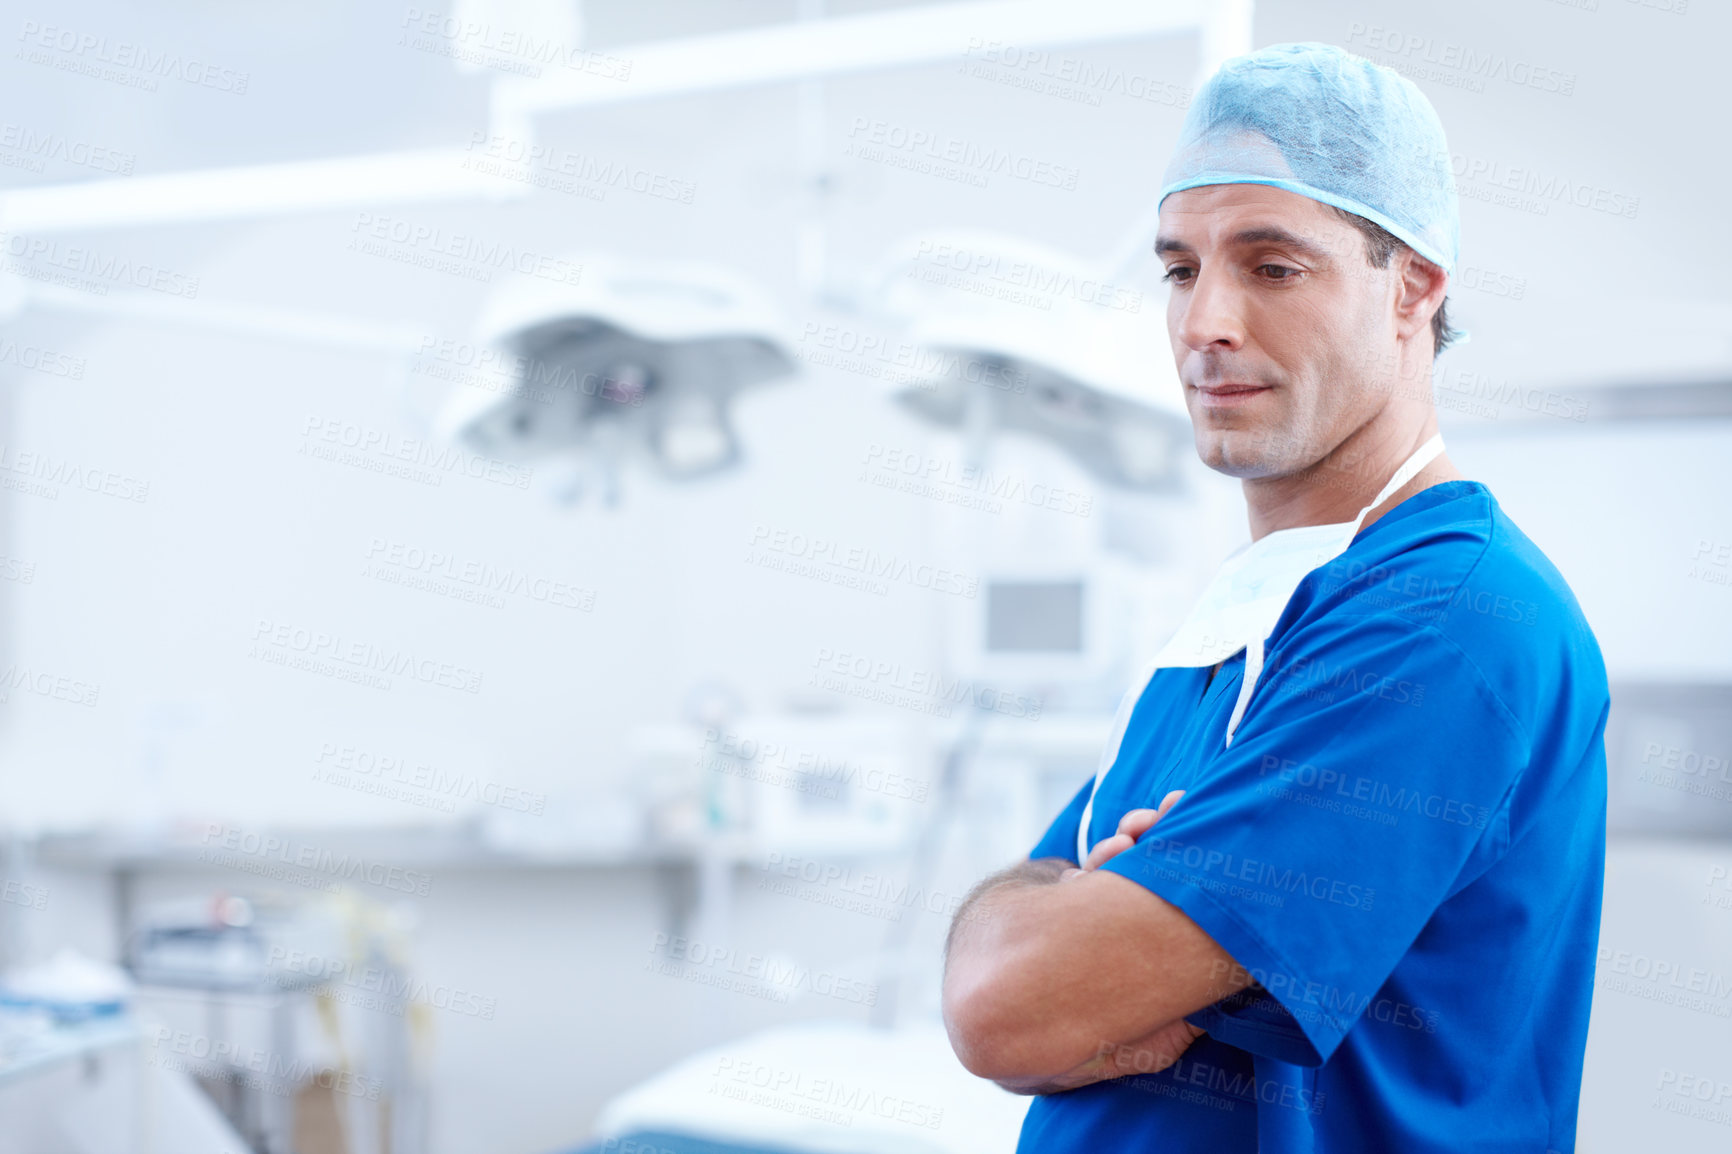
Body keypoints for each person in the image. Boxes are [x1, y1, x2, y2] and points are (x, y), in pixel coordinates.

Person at [941, 42, 1607, 1154]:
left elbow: (1013, 1005)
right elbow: (994, 965)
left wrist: (1082, 942)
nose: (1206, 322)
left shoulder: (1447, 617)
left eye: (1272, 266)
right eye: (1179, 268)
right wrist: (1057, 932)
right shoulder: (1247, 612)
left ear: (1414, 286)